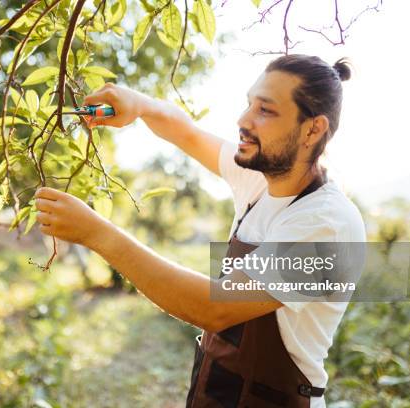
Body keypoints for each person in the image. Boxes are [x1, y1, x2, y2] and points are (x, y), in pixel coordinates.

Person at [34, 54, 366, 407]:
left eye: (265, 110)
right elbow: (186, 132)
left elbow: (215, 309)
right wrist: (139, 104)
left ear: (313, 129)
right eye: (248, 104)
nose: (243, 120)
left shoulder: (327, 224)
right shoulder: (258, 182)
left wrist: (97, 234)